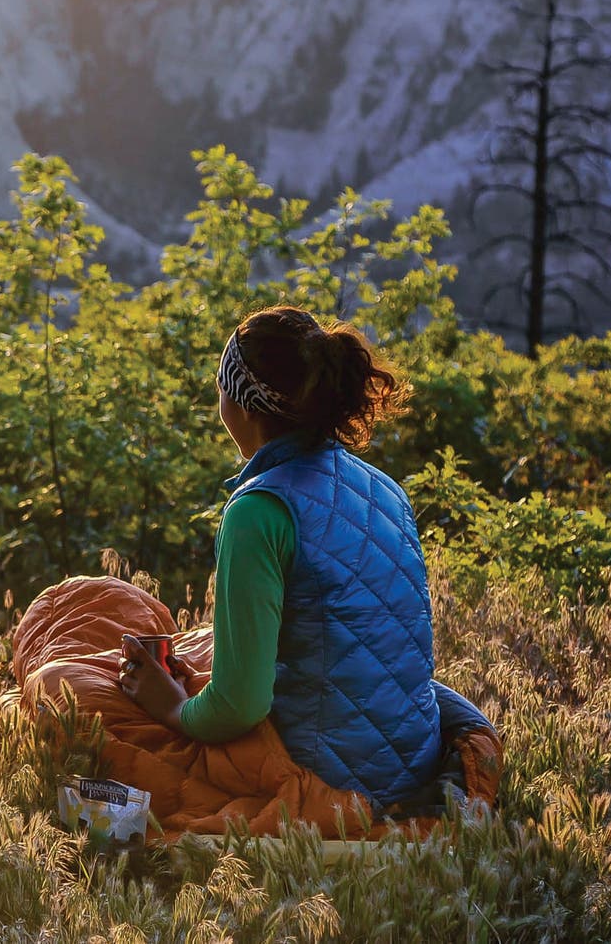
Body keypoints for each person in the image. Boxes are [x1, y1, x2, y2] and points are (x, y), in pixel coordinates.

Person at [117, 305, 443, 810]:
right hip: (413, 762)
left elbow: (241, 707)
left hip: (325, 777)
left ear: (241, 404)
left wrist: (174, 709)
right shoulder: (386, 490)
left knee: (75, 686)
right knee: (205, 645)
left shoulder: (259, 510)